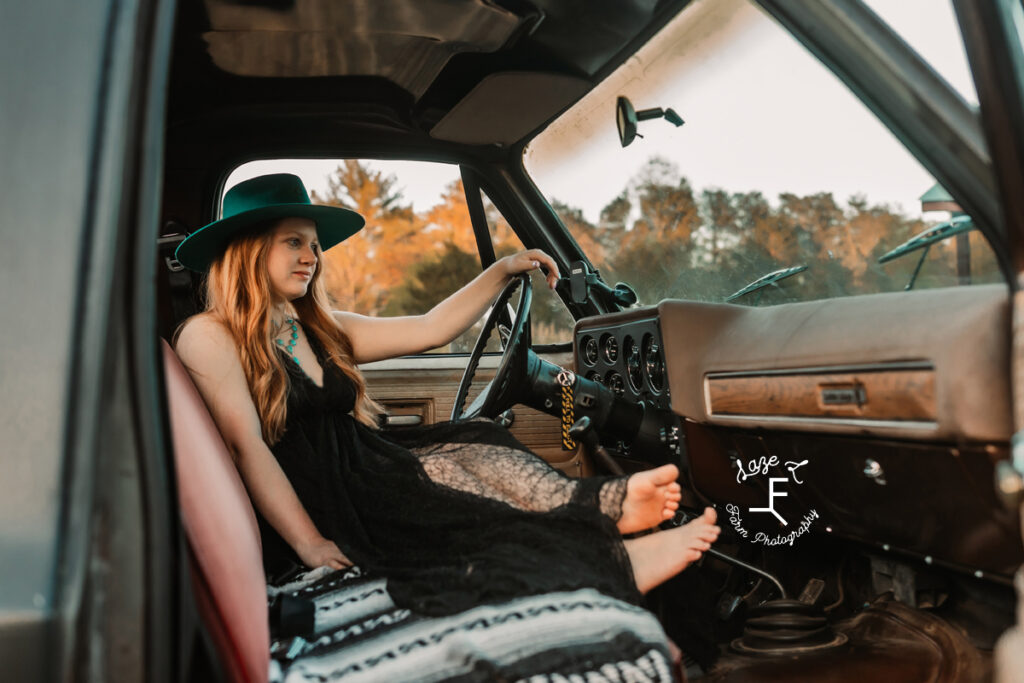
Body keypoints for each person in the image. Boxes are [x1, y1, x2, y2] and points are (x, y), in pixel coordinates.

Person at [174, 173, 720, 617]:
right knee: (450, 491)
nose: (311, 256)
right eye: (293, 242)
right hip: (324, 497)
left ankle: (607, 517)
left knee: (476, 441)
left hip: (366, 464)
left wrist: (503, 269)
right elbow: (248, 448)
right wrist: (310, 544)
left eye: (314, 246)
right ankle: (613, 556)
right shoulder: (209, 334)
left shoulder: (316, 324)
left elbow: (431, 328)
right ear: (246, 249)